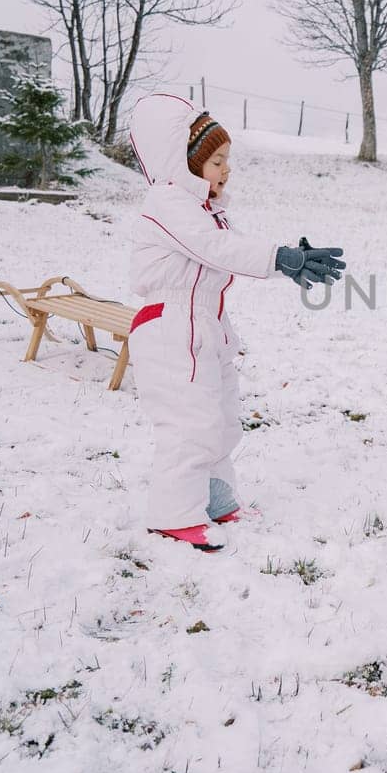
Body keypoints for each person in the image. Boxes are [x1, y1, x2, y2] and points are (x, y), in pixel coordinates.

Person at [128, 92, 345, 552]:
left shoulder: (206, 211)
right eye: (217, 161)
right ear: (185, 162)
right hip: (171, 327)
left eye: (228, 160)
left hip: (206, 324)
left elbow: (232, 246)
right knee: (189, 422)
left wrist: (291, 256)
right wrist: (279, 259)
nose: (226, 169)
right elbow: (216, 249)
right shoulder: (166, 201)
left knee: (221, 418)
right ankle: (173, 514)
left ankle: (214, 499)